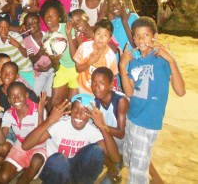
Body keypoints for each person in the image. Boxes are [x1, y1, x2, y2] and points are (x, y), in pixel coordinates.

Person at [119, 16, 186, 183]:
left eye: (146, 35)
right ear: (133, 39)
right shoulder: (134, 63)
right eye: (138, 36)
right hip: (132, 118)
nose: (142, 39)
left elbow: (180, 91)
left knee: (136, 172)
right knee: (128, 158)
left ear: (155, 36)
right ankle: (156, 179)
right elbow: (129, 92)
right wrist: (122, 67)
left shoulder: (162, 59)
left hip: (148, 122)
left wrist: (171, 60)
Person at [22, 94, 120, 184]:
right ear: (71, 110)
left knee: (96, 150)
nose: (78, 114)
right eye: (75, 109)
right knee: (59, 160)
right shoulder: (60, 124)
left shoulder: (92, 128)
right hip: (55, 170)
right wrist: (49, 120)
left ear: (91, 114)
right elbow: (26, 145)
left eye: (84, 111)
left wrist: (103, 126)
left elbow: (115, 159)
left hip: (75, 171)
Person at [0, 82, 47, 183]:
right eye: (12, 96)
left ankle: (23, 179)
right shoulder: (9, 114)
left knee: (37, 159)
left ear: (26, 96)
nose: (16, 99)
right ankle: (22, 166)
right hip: (21, 145)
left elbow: (40, 136)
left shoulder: (38, 109)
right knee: (2, 178)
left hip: (39, 147)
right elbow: (2, 141)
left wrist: (40, 114)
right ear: (8, 100)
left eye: (19, 95)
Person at [91, 67, 129, 182]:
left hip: (123, 142)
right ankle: (112, 165)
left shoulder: (120, 101)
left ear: (111, 85)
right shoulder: (95, 101)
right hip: (107, 138)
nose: (96, 87)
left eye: (102, 83)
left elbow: (121, 133)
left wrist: (102, 126)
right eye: (94, 83)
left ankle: (116, 164)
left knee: (97, 137)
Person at [39, 0, 78, 108]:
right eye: (47, 15)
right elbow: (56, 67)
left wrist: (69, 35)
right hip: (63, 69)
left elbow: (76, 55)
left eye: (53, 15)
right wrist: (54, 61)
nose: (49, 17)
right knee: (54, 103)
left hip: (76, 69)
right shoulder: (46, 39)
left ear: (59, 17)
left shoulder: (68, 28)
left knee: (71, 104)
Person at [74, 19, 118, 94]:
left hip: (100, 93)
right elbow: (78, 69)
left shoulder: (111, 56)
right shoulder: (84, 47)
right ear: (94, 34)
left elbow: (111, 78)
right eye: (98, 34)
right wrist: (90, 62)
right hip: (82, 88)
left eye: (105, 35)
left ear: (109, 39)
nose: (101, 38)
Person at [0, 12, 34, 88]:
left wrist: (17, 45)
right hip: (11, 74)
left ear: (9, 27)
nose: (3, 30)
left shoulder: (16, 36)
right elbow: (0, 63)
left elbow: (26, 54)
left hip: (25, 71)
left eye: (6, 27)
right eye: (0, 27)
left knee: (29, 94)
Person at [23, 13, 54, 98]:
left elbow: (57, 56)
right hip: (39, 72)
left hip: (52, 69)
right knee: (34, 95)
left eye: (34, 22)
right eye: (28, 24)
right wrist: (40, 52)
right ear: (25, 28)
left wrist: (49, 66)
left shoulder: (49, 35)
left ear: (40, 24)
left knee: (48, 95)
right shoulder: (27, 41)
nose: (31, 25)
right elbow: (32, 60)